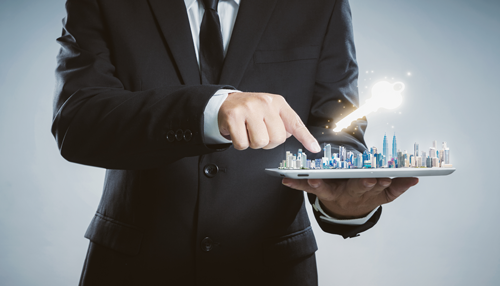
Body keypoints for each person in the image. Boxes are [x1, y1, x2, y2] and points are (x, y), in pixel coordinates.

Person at [52, 0, 418, 285]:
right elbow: (77, 120)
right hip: (132, 270)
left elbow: (336, 126)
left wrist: (347, 197)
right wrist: (210, 111)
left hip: (272, 271)